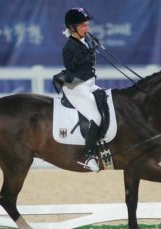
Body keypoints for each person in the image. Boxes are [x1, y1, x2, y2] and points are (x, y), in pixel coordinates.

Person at [61, 7, 101, 172]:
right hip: (76, 87)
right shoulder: (68, 47)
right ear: (72, 28)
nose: (87, 28)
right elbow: (73, 67)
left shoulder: (83, 41)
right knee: (96, 117)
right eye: (83, 25)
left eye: (87, 24)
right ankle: (89, 156)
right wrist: (89, 51)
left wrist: (91, 47)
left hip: (89, 84)